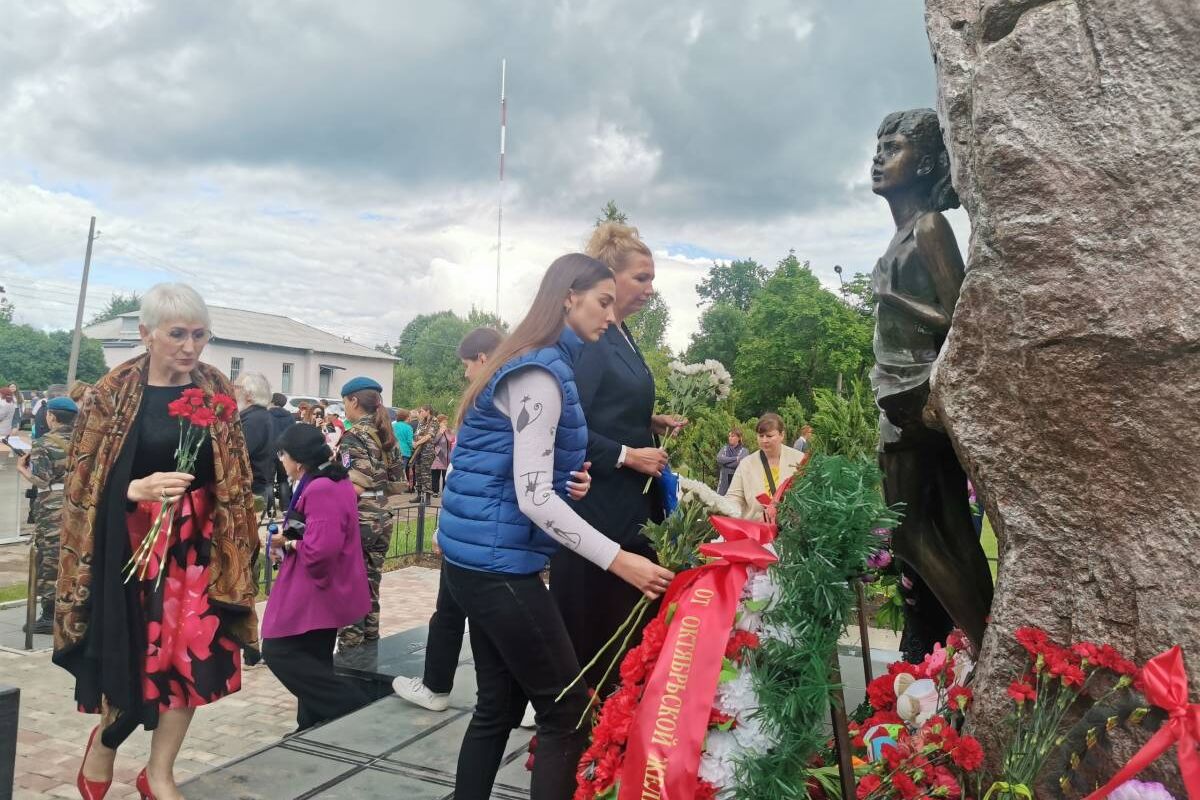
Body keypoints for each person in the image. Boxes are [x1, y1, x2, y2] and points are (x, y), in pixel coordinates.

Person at [438, 253, 674, 799]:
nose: (611, 317)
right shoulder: (542, 373)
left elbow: (517, 470)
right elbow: (532, 495)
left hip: (473, 560)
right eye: (603, 301)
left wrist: (574, 479)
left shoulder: (537, 361)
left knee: (498, 705)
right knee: (567, 709)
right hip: (499, 567)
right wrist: (620, 560)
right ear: (569, 297)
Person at [53, 282, 259, 800]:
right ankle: (104, 745)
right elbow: (79, 478)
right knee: (128, 653)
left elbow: (234, 473)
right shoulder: (111, 393)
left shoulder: (215, 390)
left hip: (194, 550)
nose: (190, 346)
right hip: (129, 545)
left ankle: (159, 772)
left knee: (188, 660)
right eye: (177, 334)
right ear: (146, 335)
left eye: (199, 334)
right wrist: (131, 487)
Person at [553, 222, 684, 695]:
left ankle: (619, 708)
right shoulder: (592, 340)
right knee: (599, 626)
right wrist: (628, 454)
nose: (651, 289)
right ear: (609, 277)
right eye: (642, 278)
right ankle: (584, 713)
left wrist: (650, 422)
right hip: (598, 506)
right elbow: (570, 423)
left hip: (626, 503)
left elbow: (608, 407)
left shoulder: (621, 334)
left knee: (624, 623)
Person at [394, 326, 508, 713]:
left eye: (466, 365)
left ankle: (441, 687)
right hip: (487, 532)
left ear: (482, 358)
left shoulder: (487, 402)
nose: (465, 375)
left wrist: (446, 527)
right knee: (463, 614)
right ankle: (448, 687)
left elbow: (463, 474)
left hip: (476, 533)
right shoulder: (513, 394)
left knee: (465, 615)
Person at [262, 424, 372, 731]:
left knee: (278, 650)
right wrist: (286, 539)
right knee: (314, 654)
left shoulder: (321, 487)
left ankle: (357, 707)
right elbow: (310, 526)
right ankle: (311, 724)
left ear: (297, 460)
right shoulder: (325, 478)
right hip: (323, 584)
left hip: (315, 586)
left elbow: (322, 549)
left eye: (282, 455)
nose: (280, 461)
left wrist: (292, 543)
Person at [336, 376, 404, 650]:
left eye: (345, 403)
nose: (345, 410)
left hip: (360, 519)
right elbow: (397, 482)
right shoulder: (383, 433)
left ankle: (351, 656)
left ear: (354, 400)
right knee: (371, 585)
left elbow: (354, 483)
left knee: (351, 588)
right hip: (381, 517)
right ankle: (370, 647)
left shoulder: (354, 436)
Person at [15, 396, 77, 634]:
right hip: (78, 505)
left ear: (51, 416)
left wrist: (22, 469)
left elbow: (42, 479)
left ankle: (50, 615)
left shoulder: (44, 443)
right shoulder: (85, 441)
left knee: (50, 557)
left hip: (53, 508)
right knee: (73, 555)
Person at [725, 413, 808, 523]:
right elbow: (734, 497)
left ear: (781, 435)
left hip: (792, 531)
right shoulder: (746, 464)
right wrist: (721, 508)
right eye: (761, 436)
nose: (764, 440)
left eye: (769, 436)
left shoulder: (800, 460)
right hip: (757, 530)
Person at [234, 372, 275, 504]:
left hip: (251, 490)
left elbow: (237, 453)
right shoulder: (257, 416)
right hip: (253, 487)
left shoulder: (254, 420)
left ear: (250, 395)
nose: (232, 390)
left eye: (236, 387)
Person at [268, 393, 297, 512]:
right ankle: (285, 507)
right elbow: (292, 433)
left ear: (272, 401)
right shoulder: (289, 416)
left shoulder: (267, 415)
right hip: (284, 451)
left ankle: (270, 509)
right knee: (283, 479)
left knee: (268, 481)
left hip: (269, 451)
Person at [411, 405, 439, 503]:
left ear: (428, 411)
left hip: (427, 451)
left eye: (422, 411)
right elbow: (416, 435)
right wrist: (416, 441)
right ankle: (419, 495)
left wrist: (418, 442)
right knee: (418, 472)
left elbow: (429, 436)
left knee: (426, 474)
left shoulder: (434, 421)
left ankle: (427, 497)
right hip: (418, 451)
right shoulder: (421, 422)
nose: (421, 413)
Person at [716, 428, 750, 495]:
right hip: (723, 483)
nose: (730, 438)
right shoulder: (725, 448)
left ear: (739, 438)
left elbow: (739, 464)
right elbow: (719, 459)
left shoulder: (744, 451)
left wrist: (725, 464)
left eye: (732, 436)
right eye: (729, 436)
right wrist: (735, 458)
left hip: (736, 483)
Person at [430, 414, 454, 496]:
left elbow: (451, 440)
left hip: (447, 456)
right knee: (435, 474)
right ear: (439, 422)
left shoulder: (448, 431)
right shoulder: (436, 430)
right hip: (437, 455)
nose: (445, 423)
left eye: (446, 422)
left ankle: (444, 491)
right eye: (444, 422)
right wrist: (440, 432)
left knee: (445, 474)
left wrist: (446, 432)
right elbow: (434, 441)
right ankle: (435, 491)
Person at [391, 407, 414, 479]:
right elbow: (409, 442)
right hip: (405, 452)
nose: (411, 418)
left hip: (393, 451)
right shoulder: (408, 427)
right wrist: (413, 449)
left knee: (393, 470)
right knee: (401, 471)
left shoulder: (393, 425)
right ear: (407, 417)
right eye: (410, 416)